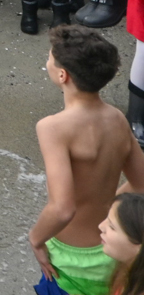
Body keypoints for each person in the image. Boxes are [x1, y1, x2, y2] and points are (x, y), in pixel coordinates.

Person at [31, 25, 144, 295]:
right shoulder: (117, 118)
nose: (47, 61)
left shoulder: (53, 128)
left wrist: (36, 239)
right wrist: (107, 201)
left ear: (63, 75)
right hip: (112, 247)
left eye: (50, 57)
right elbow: (141, 182)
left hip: (73, 257)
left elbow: (62, 209)